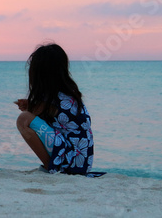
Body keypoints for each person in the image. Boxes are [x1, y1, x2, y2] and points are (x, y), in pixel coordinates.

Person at [15, 43, 103, 176]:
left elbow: (38, 114)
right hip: (81, 162)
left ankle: (49, 167)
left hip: (71, 159)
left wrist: (30, 107)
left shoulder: (54, 99)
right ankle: (52, 166)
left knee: (23, 120)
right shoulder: (67, 94)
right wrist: (32, 106)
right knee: (28, 117)